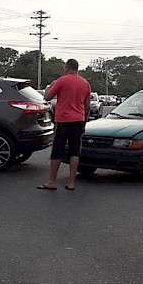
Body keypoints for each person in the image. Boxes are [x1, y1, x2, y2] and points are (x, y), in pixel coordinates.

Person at [38, 58, 92, 191]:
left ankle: (52, 181)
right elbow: (87, 106)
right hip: (79, 120)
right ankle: (71, 182)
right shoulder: (85, 83)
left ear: (67, 68)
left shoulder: (61, 81)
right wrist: (84, 121)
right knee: (75, 151)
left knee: (57, 150)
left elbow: (47, 97)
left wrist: (50, 86)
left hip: (63, 120)